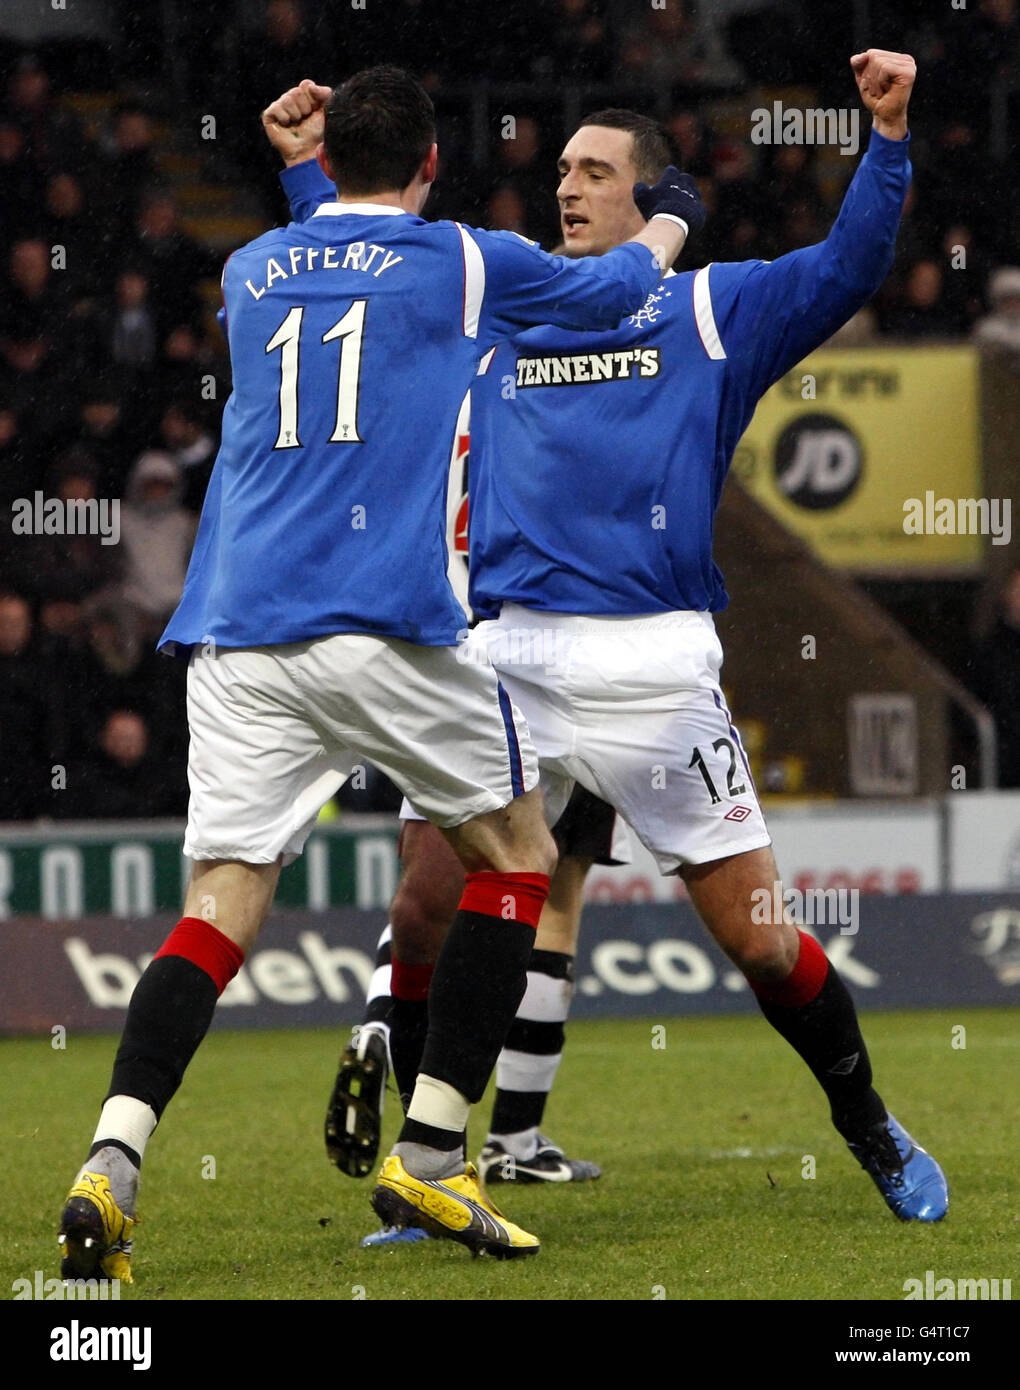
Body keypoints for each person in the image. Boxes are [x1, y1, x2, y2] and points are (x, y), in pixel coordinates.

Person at [278, 49, 948, 1231]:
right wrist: (310, 176)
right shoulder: (507, 297)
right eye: (565, 173)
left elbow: (850, 264)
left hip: (659, 670)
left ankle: (870, 1123)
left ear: (653, 197)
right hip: (512, 659)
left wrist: (885, 140)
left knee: (761, 940)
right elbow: (364, 284)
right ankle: (432, 1163)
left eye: (595, 173)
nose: (568, 189)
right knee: (436, 900)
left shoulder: (711, 306)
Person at [56, 65, 696, 1278]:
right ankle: (438, 1150)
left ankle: (113, 1155)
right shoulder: (461, 259)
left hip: (240, 634)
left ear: (330, 163)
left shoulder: (252, 270)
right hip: (389, 624)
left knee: (220, 907)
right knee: (516, 860)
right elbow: (617, 287)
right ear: (434, 168)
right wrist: (673, 213)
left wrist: (305, 168)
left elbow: (334, 257)